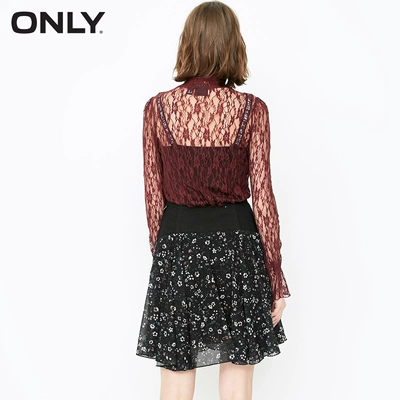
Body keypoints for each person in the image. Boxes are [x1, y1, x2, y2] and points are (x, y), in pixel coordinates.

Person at [136, 1, 291, 399]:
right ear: (232, 46)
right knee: (237, 373)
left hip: (178, 244)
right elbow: (264, 195)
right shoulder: (251, 110)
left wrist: (167, 258)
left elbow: (153, 197)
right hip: (237, 245)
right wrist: (275, 275)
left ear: (188, 44)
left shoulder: (157, 109)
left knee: (176, 374)